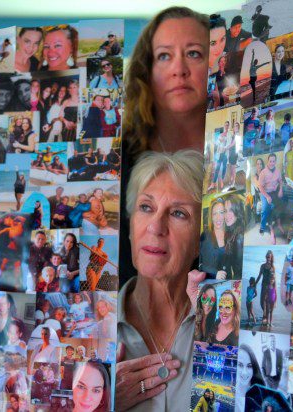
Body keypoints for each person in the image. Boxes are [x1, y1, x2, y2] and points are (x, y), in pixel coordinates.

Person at [116, 150, 203, 411]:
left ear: (202, 239)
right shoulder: (93, 322)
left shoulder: (222, 322)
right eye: (146, 207)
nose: (155, 226)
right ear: (130, 229)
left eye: (178, 213)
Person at [257, 154, 284, 244]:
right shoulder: (263, 173)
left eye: (273, 161)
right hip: (265, 193)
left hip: (274, 192)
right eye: (270, 161)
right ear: (267, 161)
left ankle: (279, 224)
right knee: (265, 209)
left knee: (279, 205)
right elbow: (260, 187)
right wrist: (267, 197)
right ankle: (263, 226)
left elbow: (280, 181)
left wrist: (280, 190)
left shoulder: (278, 171)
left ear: (275, 161)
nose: (272, 163)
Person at [236, 344, 266, 412]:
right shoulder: (234, 392)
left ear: (254, 368)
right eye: (240, 365)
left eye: (249, 366)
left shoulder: (261, 395)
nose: (244, 372)